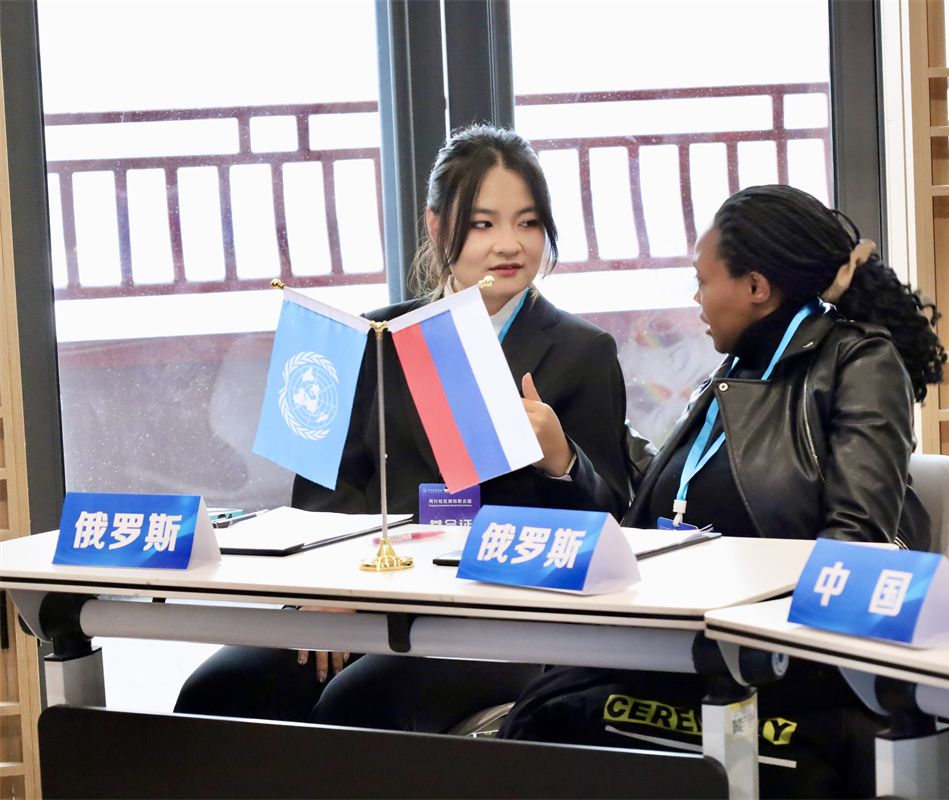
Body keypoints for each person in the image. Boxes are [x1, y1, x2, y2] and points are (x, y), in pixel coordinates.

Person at [499, 184, 949, 798]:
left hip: (783, 663)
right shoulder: (736, 368)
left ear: (756, 287)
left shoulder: (858, 362)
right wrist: (563, 458)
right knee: (542, 722)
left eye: (703, 280)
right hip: (682, 644)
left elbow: (854, 546)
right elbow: (654, 516)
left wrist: (738, 618)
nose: (695, 297)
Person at [175, 124, 633, 730]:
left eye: (527, 222)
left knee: (357, 706)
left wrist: (562, 462)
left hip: (499, 618)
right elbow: (326, 494)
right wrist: (331, 593)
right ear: (437, 227)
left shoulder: (582, 351)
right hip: (364, 595)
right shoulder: (375, 336)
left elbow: (616, 521)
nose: (509, 244)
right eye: (482, 224)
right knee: (221, 690)